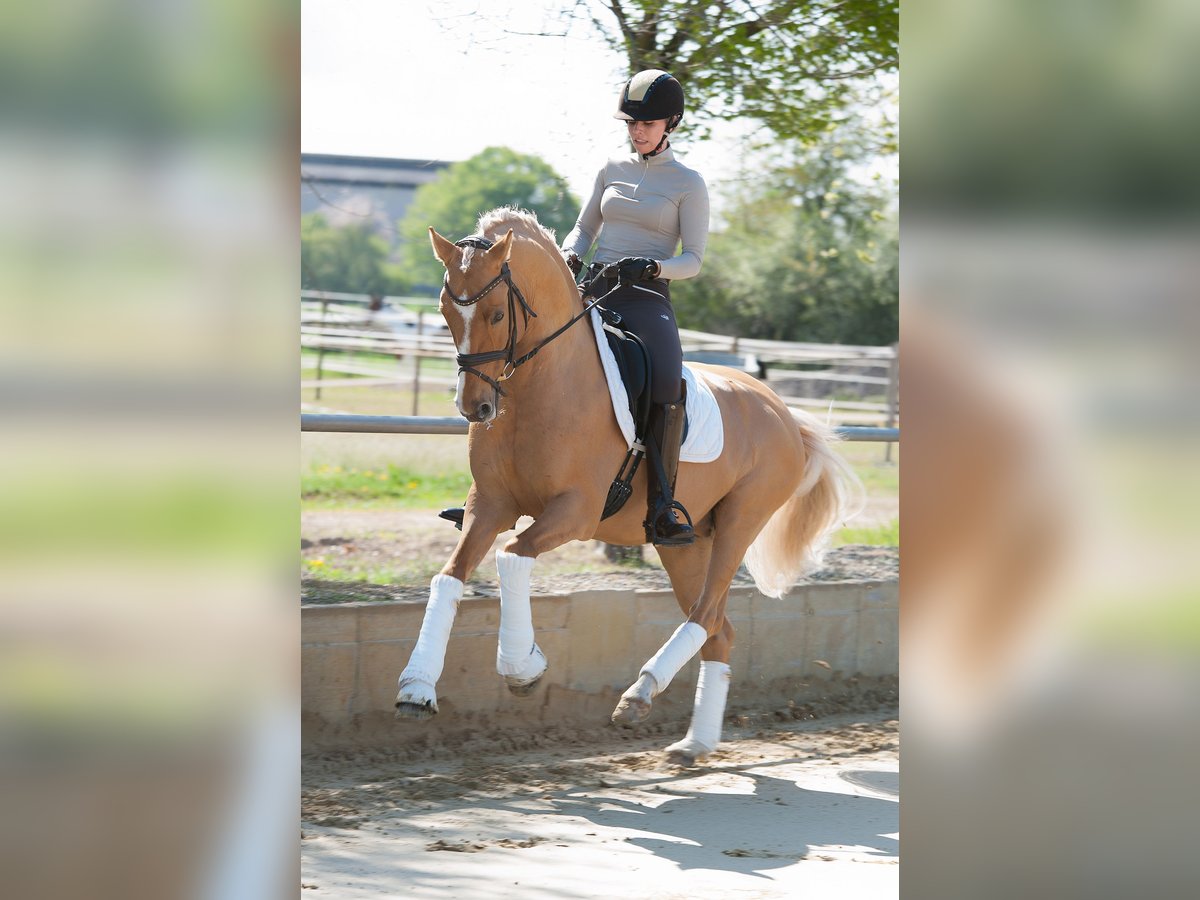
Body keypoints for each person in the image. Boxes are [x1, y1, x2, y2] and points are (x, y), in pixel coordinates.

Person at [561, 69, 710, 546]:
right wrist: (570, 253)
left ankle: (663, 504)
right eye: (631, 123)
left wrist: (652, 268)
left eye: (647, 123)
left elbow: (694, 261)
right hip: (594, 285)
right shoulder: (611, 169)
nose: (637, 130)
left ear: (672, 123)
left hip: (646, 296)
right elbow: (584, 228)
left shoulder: (689, 183)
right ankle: (497, 482)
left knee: (667, 380)